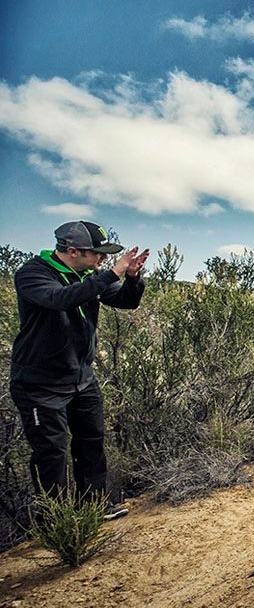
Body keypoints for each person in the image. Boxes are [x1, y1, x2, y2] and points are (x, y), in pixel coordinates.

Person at [10, 221, 150, 521]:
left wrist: (132, 279)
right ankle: (57, 520)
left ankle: (96, 505)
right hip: (40, 383)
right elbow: (61, 299)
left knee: (91, 440)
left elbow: (125, 301)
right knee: (52, 453)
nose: (102, 260)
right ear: (72, 251)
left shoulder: (90, 275)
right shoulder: (33, 274)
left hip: (81, 377)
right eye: (96, 253)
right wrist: (111, 274)